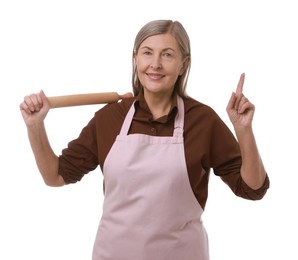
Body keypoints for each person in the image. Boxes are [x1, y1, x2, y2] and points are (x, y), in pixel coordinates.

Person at [20, 19, 270, 260]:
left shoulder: (202, 121)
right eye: (147, 53)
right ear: (135, 59)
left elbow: (252, 188)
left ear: (184, 64)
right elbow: (55, 176)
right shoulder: (110, 118)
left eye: (168, 54)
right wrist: (35, 126)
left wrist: (243, 129)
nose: (156, 64)